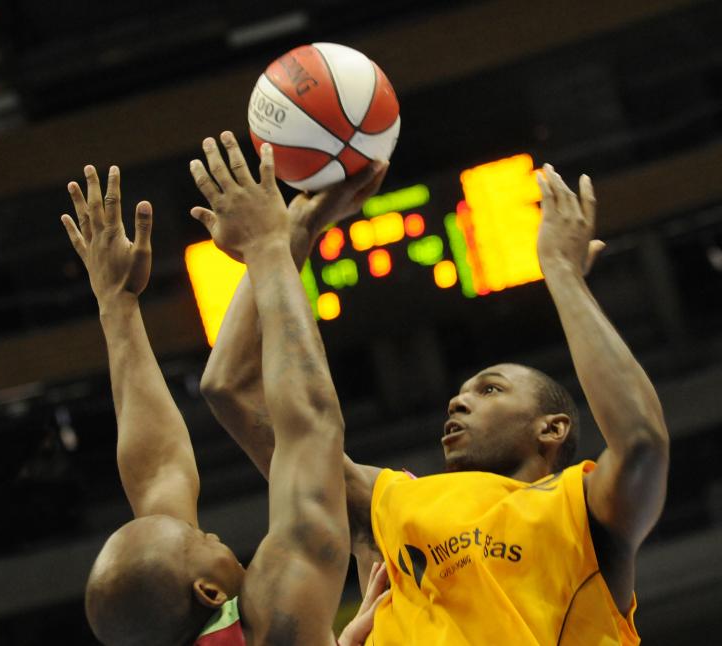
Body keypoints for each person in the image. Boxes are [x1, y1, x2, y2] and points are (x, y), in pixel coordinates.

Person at [200, 152, 670, 644]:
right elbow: (228, 387)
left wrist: (562, 273)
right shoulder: (394, 505)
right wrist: (289, 233)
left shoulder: (577, 509)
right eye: (463, 393)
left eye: (490, 389)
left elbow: (640, 441)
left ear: (551, 429)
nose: (457, 402)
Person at [60, 152, 384, 645]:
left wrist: (117, 304)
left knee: (225, 390)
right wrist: (268, 243)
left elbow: (159, 473)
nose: (211, 534)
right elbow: (310, 429)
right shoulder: (272, 625)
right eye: (202, 540)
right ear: (209, 592)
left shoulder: (182, 626)